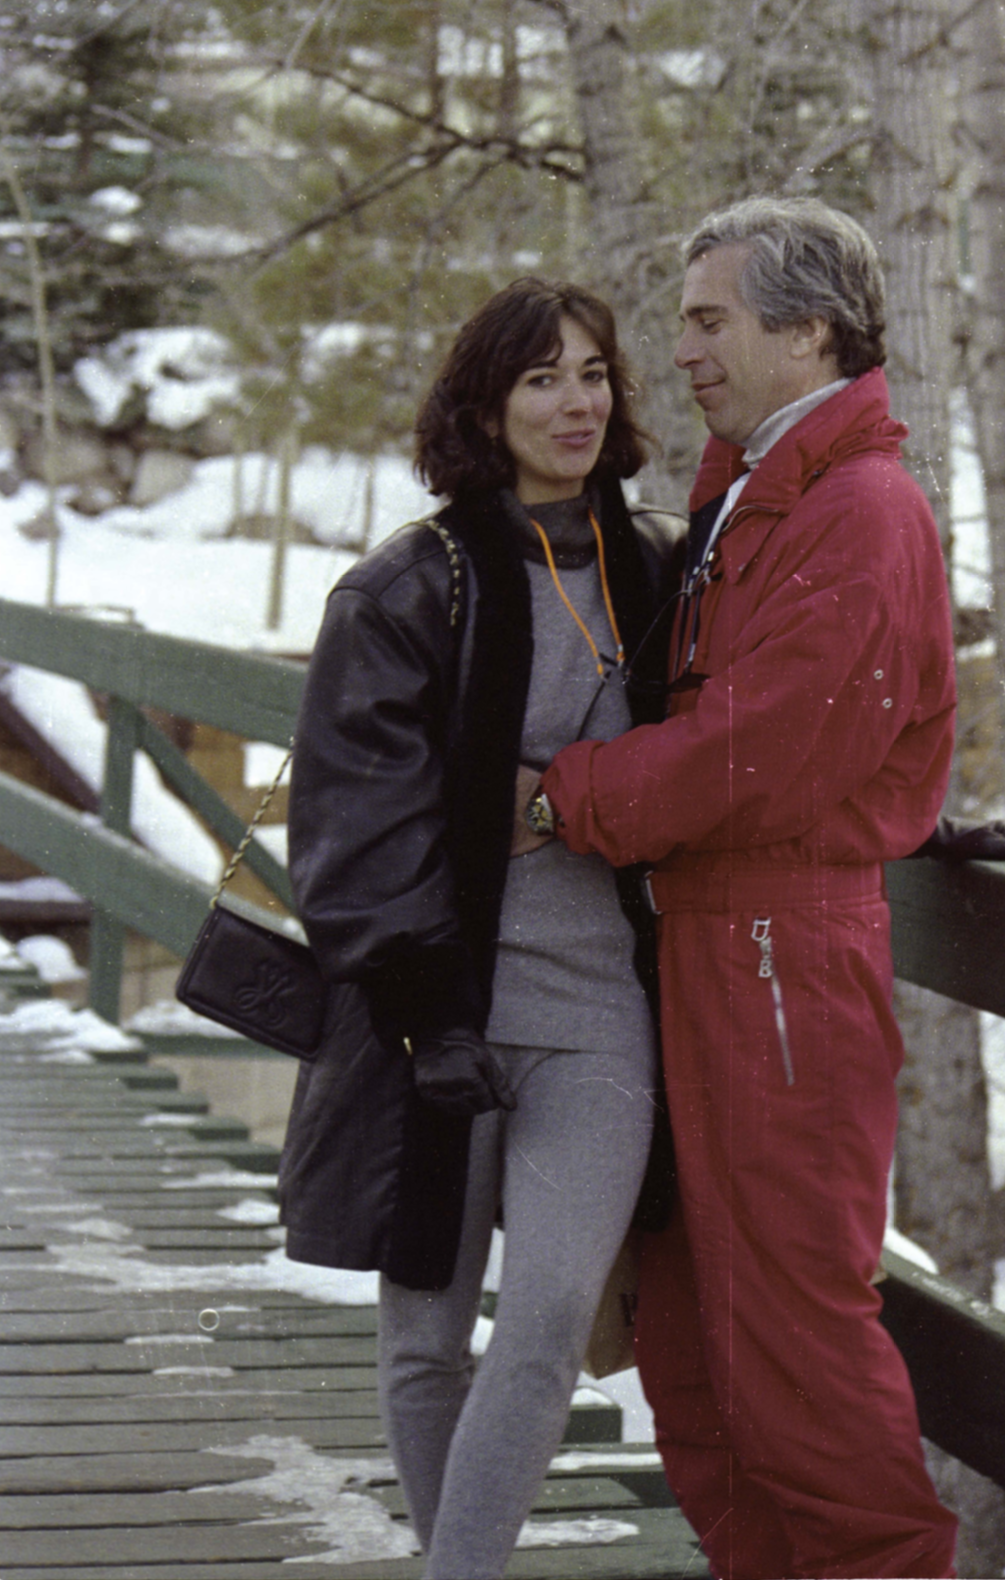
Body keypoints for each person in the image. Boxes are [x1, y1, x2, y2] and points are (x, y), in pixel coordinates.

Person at [517, 197, 964, 1580]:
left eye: (711, 320)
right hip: (711, 947)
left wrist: (557, 798)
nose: (685, 349)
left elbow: (756, 754)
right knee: (693, 1345)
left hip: (779, 959)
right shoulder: (755, 488)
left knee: (791, 1345)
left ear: (807, 331)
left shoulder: (861, 508)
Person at [277, 279, 683, 1580]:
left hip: (596, 1007)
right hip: (435, 1010)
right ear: (485, 406)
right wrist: (420, 1009)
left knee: (555, 1307)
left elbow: (753, 743)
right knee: (426, 1334)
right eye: (541, 380)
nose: (576, 403)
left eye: (595, 374)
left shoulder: (658, 570)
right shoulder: (410, 584)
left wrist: (554, 804)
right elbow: (352, 823)